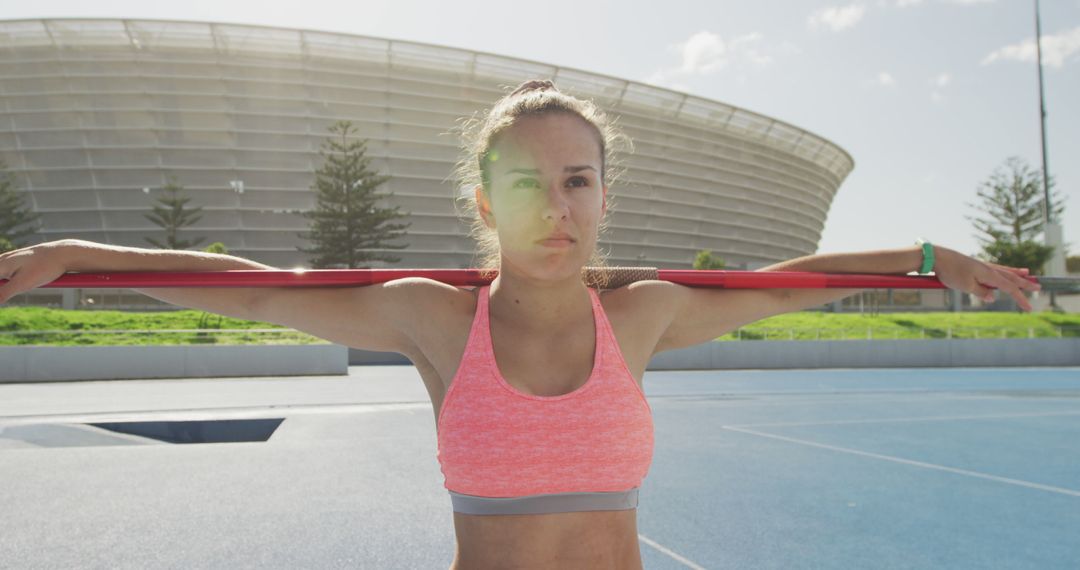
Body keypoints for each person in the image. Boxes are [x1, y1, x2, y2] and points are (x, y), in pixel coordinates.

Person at [0, 80, 1040, 569]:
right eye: (526, 183)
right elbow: (253, 283)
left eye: (578, 180)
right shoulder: (432, 321)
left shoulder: (645, 316)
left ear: (602, 198)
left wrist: (929, 259)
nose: (557, 204)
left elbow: (794, 279)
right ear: (486, 203)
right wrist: (68, 257)